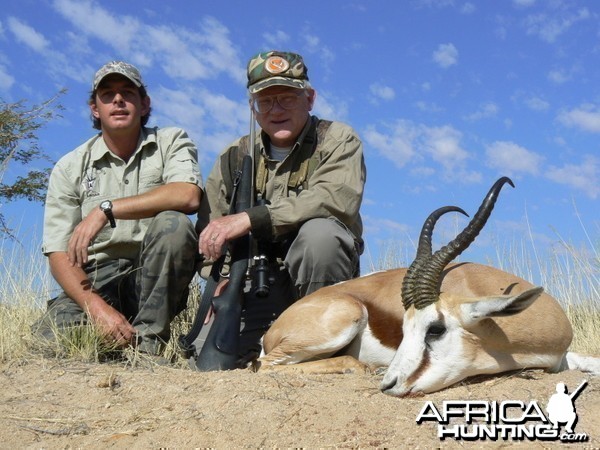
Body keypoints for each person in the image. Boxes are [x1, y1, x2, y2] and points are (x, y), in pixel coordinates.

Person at [198, 50, 365, 364]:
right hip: (251, 282)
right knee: (209, 360)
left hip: (316, 278)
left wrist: (252, 218)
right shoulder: (233, 155)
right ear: (253, 108)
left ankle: (326, 346)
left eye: (287, 98)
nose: (276, 110)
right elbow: (211, 228)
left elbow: (334, 199)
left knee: (320, 236)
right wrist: (217, 281)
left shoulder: (339, 139)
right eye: (266, 101)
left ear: (309, 98)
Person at [34, 61, 202, 359]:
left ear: (144, 103)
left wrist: (106, 209)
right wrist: (97, 309)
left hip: (152, 275)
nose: (118, 100)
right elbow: (58, 252)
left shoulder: (171, 140)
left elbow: (188, 195)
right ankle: (116, 341)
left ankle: (150, 347)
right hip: (97, 279)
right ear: (95, 109)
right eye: (108, 94)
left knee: (174, 223)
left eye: (127, 92)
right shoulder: (69, 166)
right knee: (53, 344)